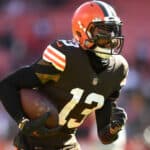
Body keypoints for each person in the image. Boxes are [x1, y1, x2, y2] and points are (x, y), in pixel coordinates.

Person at [0, 0, 128, 150]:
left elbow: (104, 137)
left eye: (113, 30)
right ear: (82, 31)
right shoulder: (66, 56)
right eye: (103, 31)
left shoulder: (118, 69)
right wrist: (22, 121)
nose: (111, 37)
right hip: (34, 145)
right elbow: (8, 85)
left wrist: (113, 129)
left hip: (67, 145)